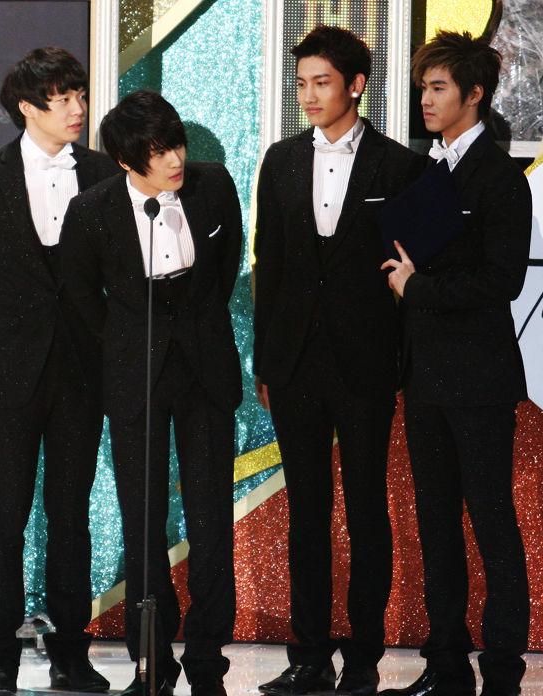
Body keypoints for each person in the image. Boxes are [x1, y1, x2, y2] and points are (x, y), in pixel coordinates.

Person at [252, 25, 424, 696]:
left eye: (321, 82)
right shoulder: (281, 160)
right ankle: (308, 656)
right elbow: (269, 265)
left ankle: (363, 659)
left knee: (366, 511)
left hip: (366, 362)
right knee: (306, 512)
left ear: (356, 85)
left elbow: (410, 272)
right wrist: (266, 360)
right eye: (301, 84)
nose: (309, 96)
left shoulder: (399, 165)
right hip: (294, 361)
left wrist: (401, 363)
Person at [60, 89, 242, 696]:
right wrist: (124, 343)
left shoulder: (214, 186)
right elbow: (82, 296)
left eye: (176, 144)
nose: (174, 160)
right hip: (135, 374)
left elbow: (225, 265)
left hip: (205, 368)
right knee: (143, 524)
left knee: (211, 521)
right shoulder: (93, 210)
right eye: (159, 152)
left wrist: (196, 325)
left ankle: (209, 665)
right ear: (125, 161)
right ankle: (153, 664)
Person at [0, 47, 117, 695]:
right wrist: (23, 317)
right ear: (27, 107)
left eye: (80, 95)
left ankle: (71, 653)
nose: (78, 108)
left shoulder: (103, 173)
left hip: (83, 369)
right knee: (7, 512)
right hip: (12, 367)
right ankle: (0, 657)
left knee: (70, 514)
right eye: (63, 98)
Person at [380, 31, 531, 696]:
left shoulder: (500, 178)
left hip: (480, 379)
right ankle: (445, 664)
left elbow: (501, 281)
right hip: (424, 377)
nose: (426, 99)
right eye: (423, 88)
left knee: (491, 519)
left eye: (438, 88)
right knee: (435, 522)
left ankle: (503, 669)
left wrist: (417, 288)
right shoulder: (426, 172)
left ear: (474, 94)